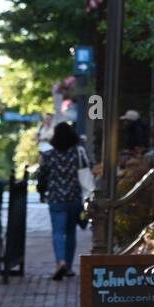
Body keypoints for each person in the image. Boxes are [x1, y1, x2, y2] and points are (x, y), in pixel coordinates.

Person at [37, 118, 90, 280]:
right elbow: (87, 169)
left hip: (56, 198)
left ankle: (60, 261)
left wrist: (42, 191)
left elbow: (42, 177)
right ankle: (68, 266)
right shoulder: (78, 153)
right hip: (74, 198)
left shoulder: (48, 155)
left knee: (58, 232)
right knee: (71, 232)